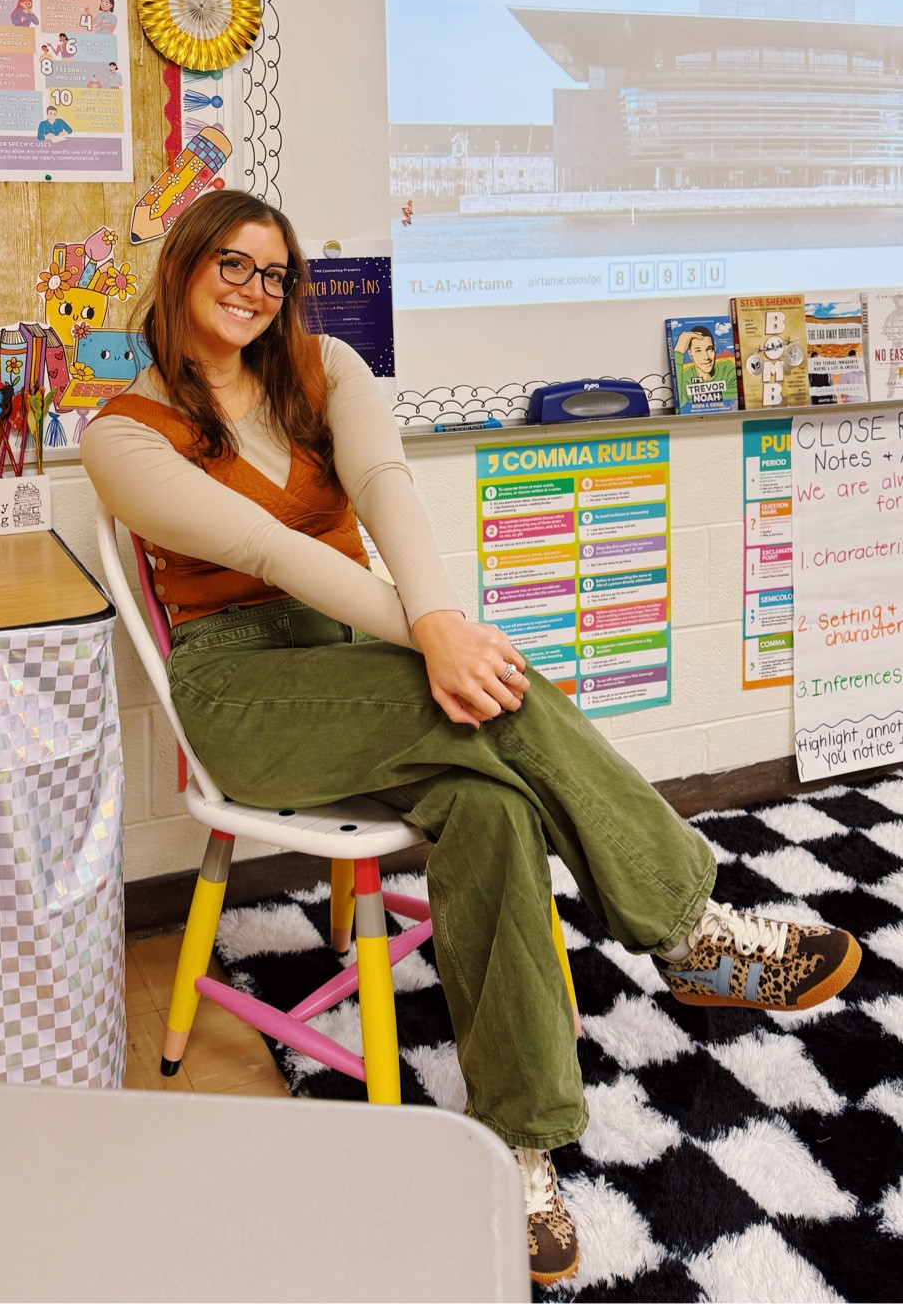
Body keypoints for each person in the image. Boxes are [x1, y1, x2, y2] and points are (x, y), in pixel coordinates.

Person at [81, 189, 862, 1288]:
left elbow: (387, 492)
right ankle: (691, 931)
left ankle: (519, 1138)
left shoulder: (326, 370)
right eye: (231, 265)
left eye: (273, 273)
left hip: (355, 635)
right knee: (501, 683)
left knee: (489, 802)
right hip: (244, 690)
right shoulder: (121, 432)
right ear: (182, 263)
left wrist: (441, 626)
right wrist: (437, 639)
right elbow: (266, 551)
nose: (254, 292)